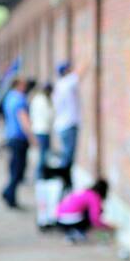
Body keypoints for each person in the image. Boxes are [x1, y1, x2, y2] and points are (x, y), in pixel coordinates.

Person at [0, 76, 32, 208]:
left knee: (15, 168)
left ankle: (9, 193)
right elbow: (23, 118)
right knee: (19, 169)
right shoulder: (19, 99)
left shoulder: (9, 97)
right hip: (19, 138)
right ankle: (9, 193)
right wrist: (32, 136)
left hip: (11, 136)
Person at [50, 178, 114, 244]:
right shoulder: (94, 196)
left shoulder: (84, 192)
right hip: (70, 221)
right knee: (92, 213)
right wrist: (107, 227)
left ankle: (73, 232)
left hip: (59, 220)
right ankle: (78, 231)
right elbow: (95, 219)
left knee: (84, 210)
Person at [52, 60, 83, 190]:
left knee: (66, 155)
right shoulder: (67, 83)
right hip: (69, 125)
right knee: (68, 158)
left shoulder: (59, 85)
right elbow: (80, 73)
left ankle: (65, 182)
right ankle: (65, 182)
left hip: (62, 125)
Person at [29, 82, 54, 178]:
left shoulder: (36, 99)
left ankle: (40, 174)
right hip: (43, 129)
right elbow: (49, 115)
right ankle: (40, 175)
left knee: (41, 153)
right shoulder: (44, 101)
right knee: (43, 154)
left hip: (37, 129)